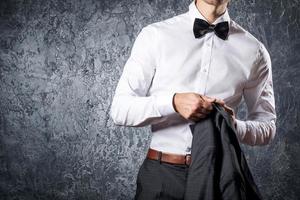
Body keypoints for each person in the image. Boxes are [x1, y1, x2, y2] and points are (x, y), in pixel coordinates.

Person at [110, 0, 277, 199]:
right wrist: (172, 102)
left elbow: (267, 126)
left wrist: (232, 126)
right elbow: (120, 110)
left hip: (219, 178)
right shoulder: (155, 36)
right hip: (161, 176)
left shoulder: (254, 51)